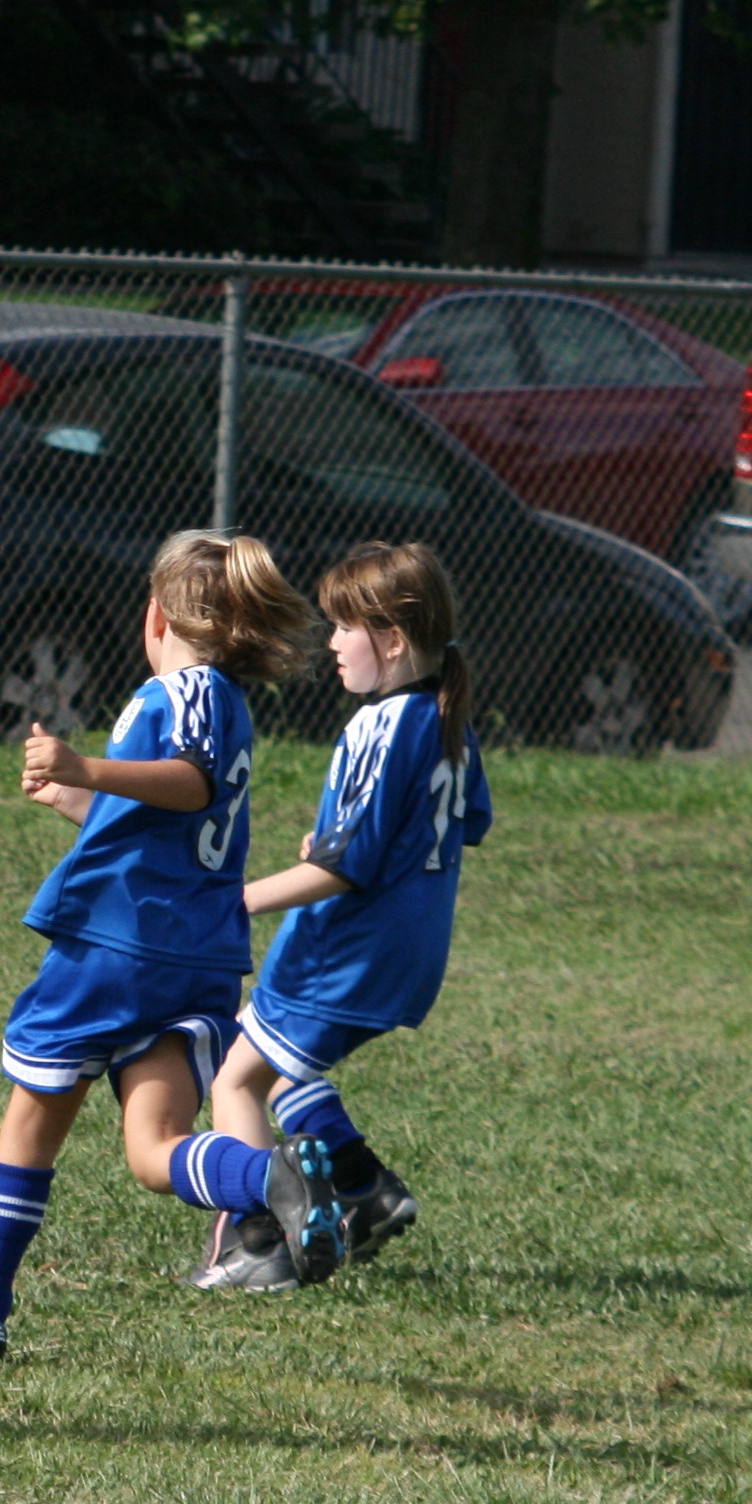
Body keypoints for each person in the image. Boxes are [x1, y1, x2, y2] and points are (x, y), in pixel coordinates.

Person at [0, 530, 317, 1362]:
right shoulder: (219, 701)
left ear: (157, 614)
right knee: (153, 1150)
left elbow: (191, 783)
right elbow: (163, 824)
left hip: (117, 953)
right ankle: (266, 1180)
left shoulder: (189, 691)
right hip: (190, 959)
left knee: (27, 1130)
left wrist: (88, 767)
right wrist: (77, 799)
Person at [171, 540, 494, 1290]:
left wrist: (235, 900)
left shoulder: (381, 725)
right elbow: (465, 821)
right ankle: (362, 1189)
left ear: (392, 640)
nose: (334, 642)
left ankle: (258, 1243)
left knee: (234, 1079)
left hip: (345, 948)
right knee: (273, 1063)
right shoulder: (447, 719)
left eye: (346, 627)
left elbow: (346, 868)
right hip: (410, 948)